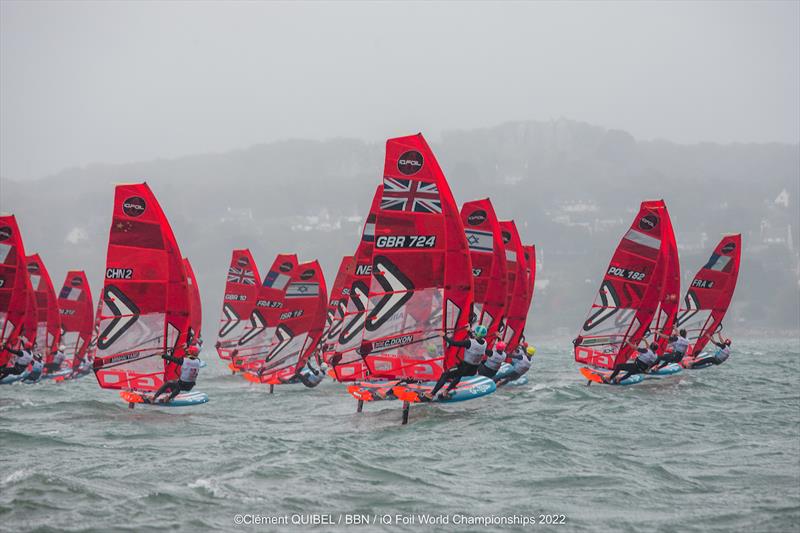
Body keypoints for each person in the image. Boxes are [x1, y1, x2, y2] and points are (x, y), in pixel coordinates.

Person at [421, 325, 491, 401]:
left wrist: (444, 336)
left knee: (445, 374)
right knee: (458, 375)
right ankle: (446, 391)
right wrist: (469, 331)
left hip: (465, 367)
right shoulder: (485, 343)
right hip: (473, 370)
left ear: (476, 333)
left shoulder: (469, 342)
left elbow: (453, 343)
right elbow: (476, 340)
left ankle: (432, 394)